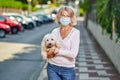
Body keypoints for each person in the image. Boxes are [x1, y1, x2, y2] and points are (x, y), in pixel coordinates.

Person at [47, 6, 80, 80]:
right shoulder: (54, 31)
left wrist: (58, 51)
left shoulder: (75, 33)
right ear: (59, 17)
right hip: (52, 67)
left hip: (67, 69)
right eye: (63, 15)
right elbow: (50, 48)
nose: (65, 18)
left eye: (68, 16)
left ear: (71, 18)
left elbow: (73, 54)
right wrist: (48, 51)